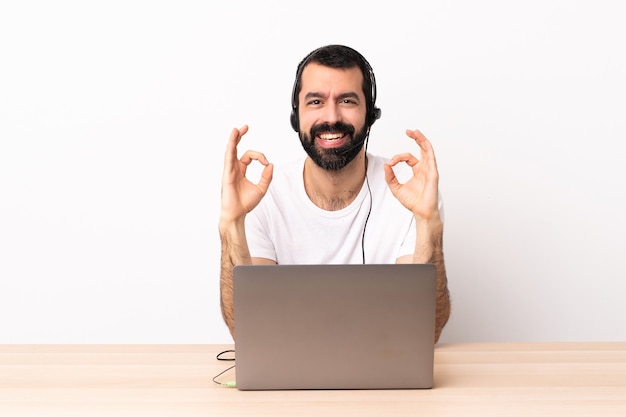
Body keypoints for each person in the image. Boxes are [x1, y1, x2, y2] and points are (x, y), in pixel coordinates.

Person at [219, 44, 451, 343]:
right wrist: (231, 223)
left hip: (383, 374)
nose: (331, 117)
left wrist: (427, 221)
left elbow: (423, 331)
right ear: (296, 117)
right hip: (289, 382)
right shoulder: (261, 196)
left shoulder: (411, 193)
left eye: (347, 100)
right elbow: (248, 332)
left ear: (371, 115)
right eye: (316, 101)